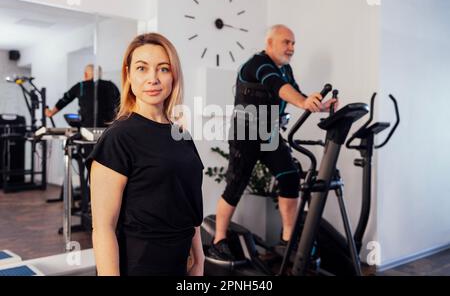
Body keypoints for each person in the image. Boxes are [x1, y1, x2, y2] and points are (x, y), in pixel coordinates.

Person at [208, 24, 338, 260]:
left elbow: (297, 93)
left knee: (289, 177)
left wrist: (320, 106)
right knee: (235, 186)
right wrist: (302, 101)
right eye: (286, 42)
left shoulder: (286, 70)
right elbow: (280, 88)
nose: (291, 48)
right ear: (270, 43)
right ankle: (219, 239)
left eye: (293, 43)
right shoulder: (258, 64)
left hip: (269, 134)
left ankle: (287, 239)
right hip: (245, 134)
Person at [86, 33, 205, 276]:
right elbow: (103, 228)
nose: (153, 79)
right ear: (129, 74)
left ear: (174, 75)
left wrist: (200, 259)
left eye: (163, 69)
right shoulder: (118, 137)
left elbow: (189, 204)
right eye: (142, 68)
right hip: (140, 265)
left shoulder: (180, 134)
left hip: (179, 263)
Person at [45, 64, 120, 127]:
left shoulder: (81, 86)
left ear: (85, 74)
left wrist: (51, 112)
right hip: (108, 127)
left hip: (86, 128)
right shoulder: (111, 85)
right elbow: (120, 103)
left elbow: (65, 100)